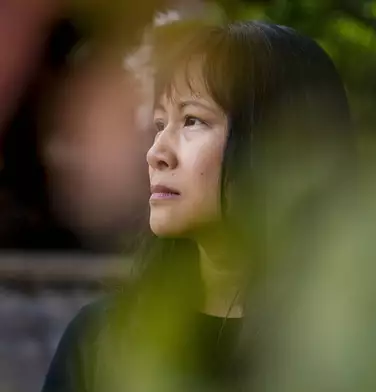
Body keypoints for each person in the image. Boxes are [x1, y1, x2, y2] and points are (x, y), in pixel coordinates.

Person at [41, 19, 354, 392]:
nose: (157, 153)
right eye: (159, 124)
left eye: (192, 120)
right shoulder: (99, 342)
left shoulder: (359, 351)